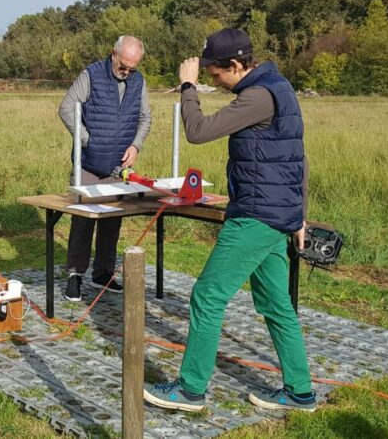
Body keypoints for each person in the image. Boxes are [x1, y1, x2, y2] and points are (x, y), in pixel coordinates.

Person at [143, 28, 315, 412]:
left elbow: (198, 131)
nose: (213, 80)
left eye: (216, 74)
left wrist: (188, 87)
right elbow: (296, 158)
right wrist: (298, 215)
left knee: (207, 295)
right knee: (276, 304)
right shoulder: (280, 87)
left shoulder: (257, 96)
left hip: (256, 216)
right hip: (277, 216)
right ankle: (300, 392)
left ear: (236, 65)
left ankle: (190, 389)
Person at [57, 36, 152, 302]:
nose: (127, 72)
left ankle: (104, 274)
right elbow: (66, 108)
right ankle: (75, 276)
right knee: (83, 220)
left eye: (132, 68)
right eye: (123, 66)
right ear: (113, 53)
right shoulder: (91, 74)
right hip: (88, 163)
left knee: (112, 221)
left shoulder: (138, 81)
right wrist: (87, 139)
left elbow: (145, 117)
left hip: (118, 166)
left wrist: (136, 145)